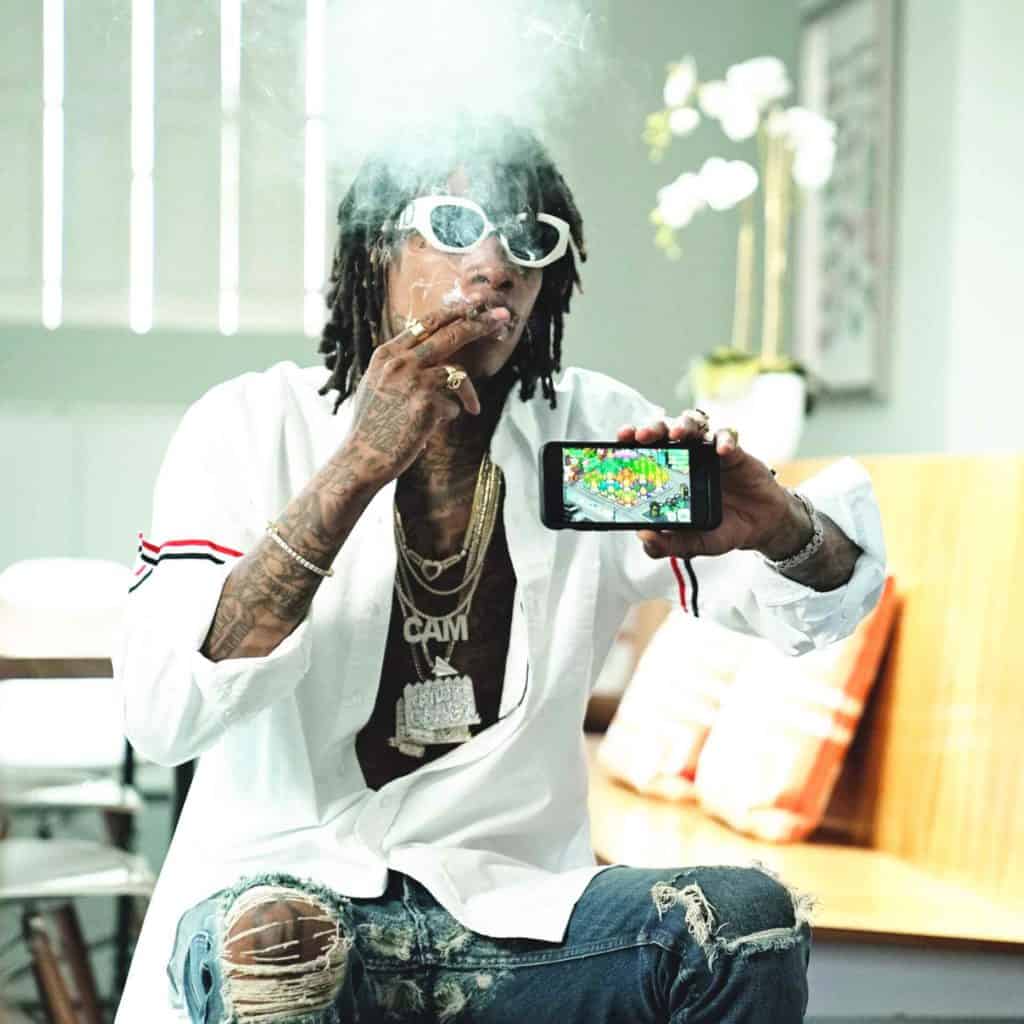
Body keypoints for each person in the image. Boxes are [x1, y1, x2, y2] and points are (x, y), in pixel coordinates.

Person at [114, 118, 885, 1022]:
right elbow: (164, 713)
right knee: (280, 945)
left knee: (744, 925)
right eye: (453, 227)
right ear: (378, 249)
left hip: (512, 919)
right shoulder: (251, 427)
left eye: (528, 240)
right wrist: (357, 465)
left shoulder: (592, 433)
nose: (494, 266)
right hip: (284, 893)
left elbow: (816, 608)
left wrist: (780, 526)